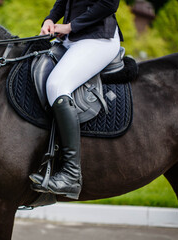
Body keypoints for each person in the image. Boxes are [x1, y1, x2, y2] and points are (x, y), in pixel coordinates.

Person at [29, 0, 123, 200]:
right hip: (70, 38)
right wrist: (50, 19)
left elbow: (108, 4)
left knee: (56, 85)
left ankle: (71, 174)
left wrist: (70, 26)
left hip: (98, 38)